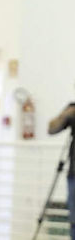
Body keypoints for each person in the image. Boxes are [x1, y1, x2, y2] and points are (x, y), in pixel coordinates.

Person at [48, 101, 75, 239]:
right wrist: (66, 114)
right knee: (74, 220)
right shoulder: (72, 109)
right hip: (74, 176)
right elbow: (51, 129)